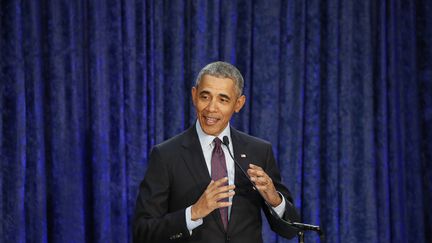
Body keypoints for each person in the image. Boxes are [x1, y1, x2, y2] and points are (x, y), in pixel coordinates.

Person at [133, 61, 299, 243]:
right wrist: (193, 213)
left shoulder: (259, 151)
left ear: (238, 103)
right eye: (205, 97)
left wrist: (275, 199)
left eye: (223, 99)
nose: (211, 108)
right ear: (194, 95)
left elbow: (291, 230)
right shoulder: (166, 155)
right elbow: (142, 232)